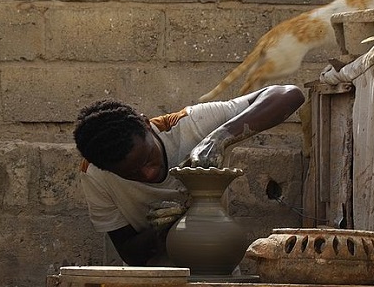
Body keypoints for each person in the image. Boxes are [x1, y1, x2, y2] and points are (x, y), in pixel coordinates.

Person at [73, 84, 305, 266]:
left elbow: (289, 94)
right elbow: (130, 253)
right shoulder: (95, 174)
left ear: (146, 124)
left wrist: (219, 138)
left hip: (219, 269)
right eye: (132, 174)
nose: (149, 173)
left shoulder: (190, 125)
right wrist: (161, 230)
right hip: (153, 282)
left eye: (147, 159)